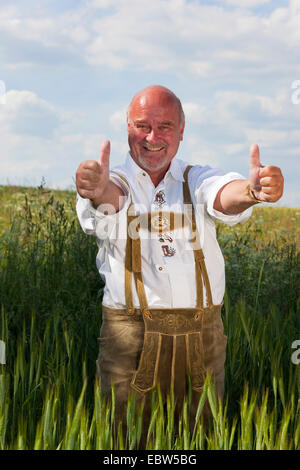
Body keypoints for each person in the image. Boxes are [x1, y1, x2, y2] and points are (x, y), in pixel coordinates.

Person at [75, 85, 284, 440]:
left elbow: (222, 194)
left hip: (203, 338)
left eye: (165, 126)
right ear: (127, 128)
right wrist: (97, 192)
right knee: (123, 441)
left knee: (199, 437)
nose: (152, 137)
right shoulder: (115, 181)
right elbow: (113, 197)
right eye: (142, 126)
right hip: (129, 339)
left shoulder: (194, 177)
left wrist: (251, 192)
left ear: (182, 132)